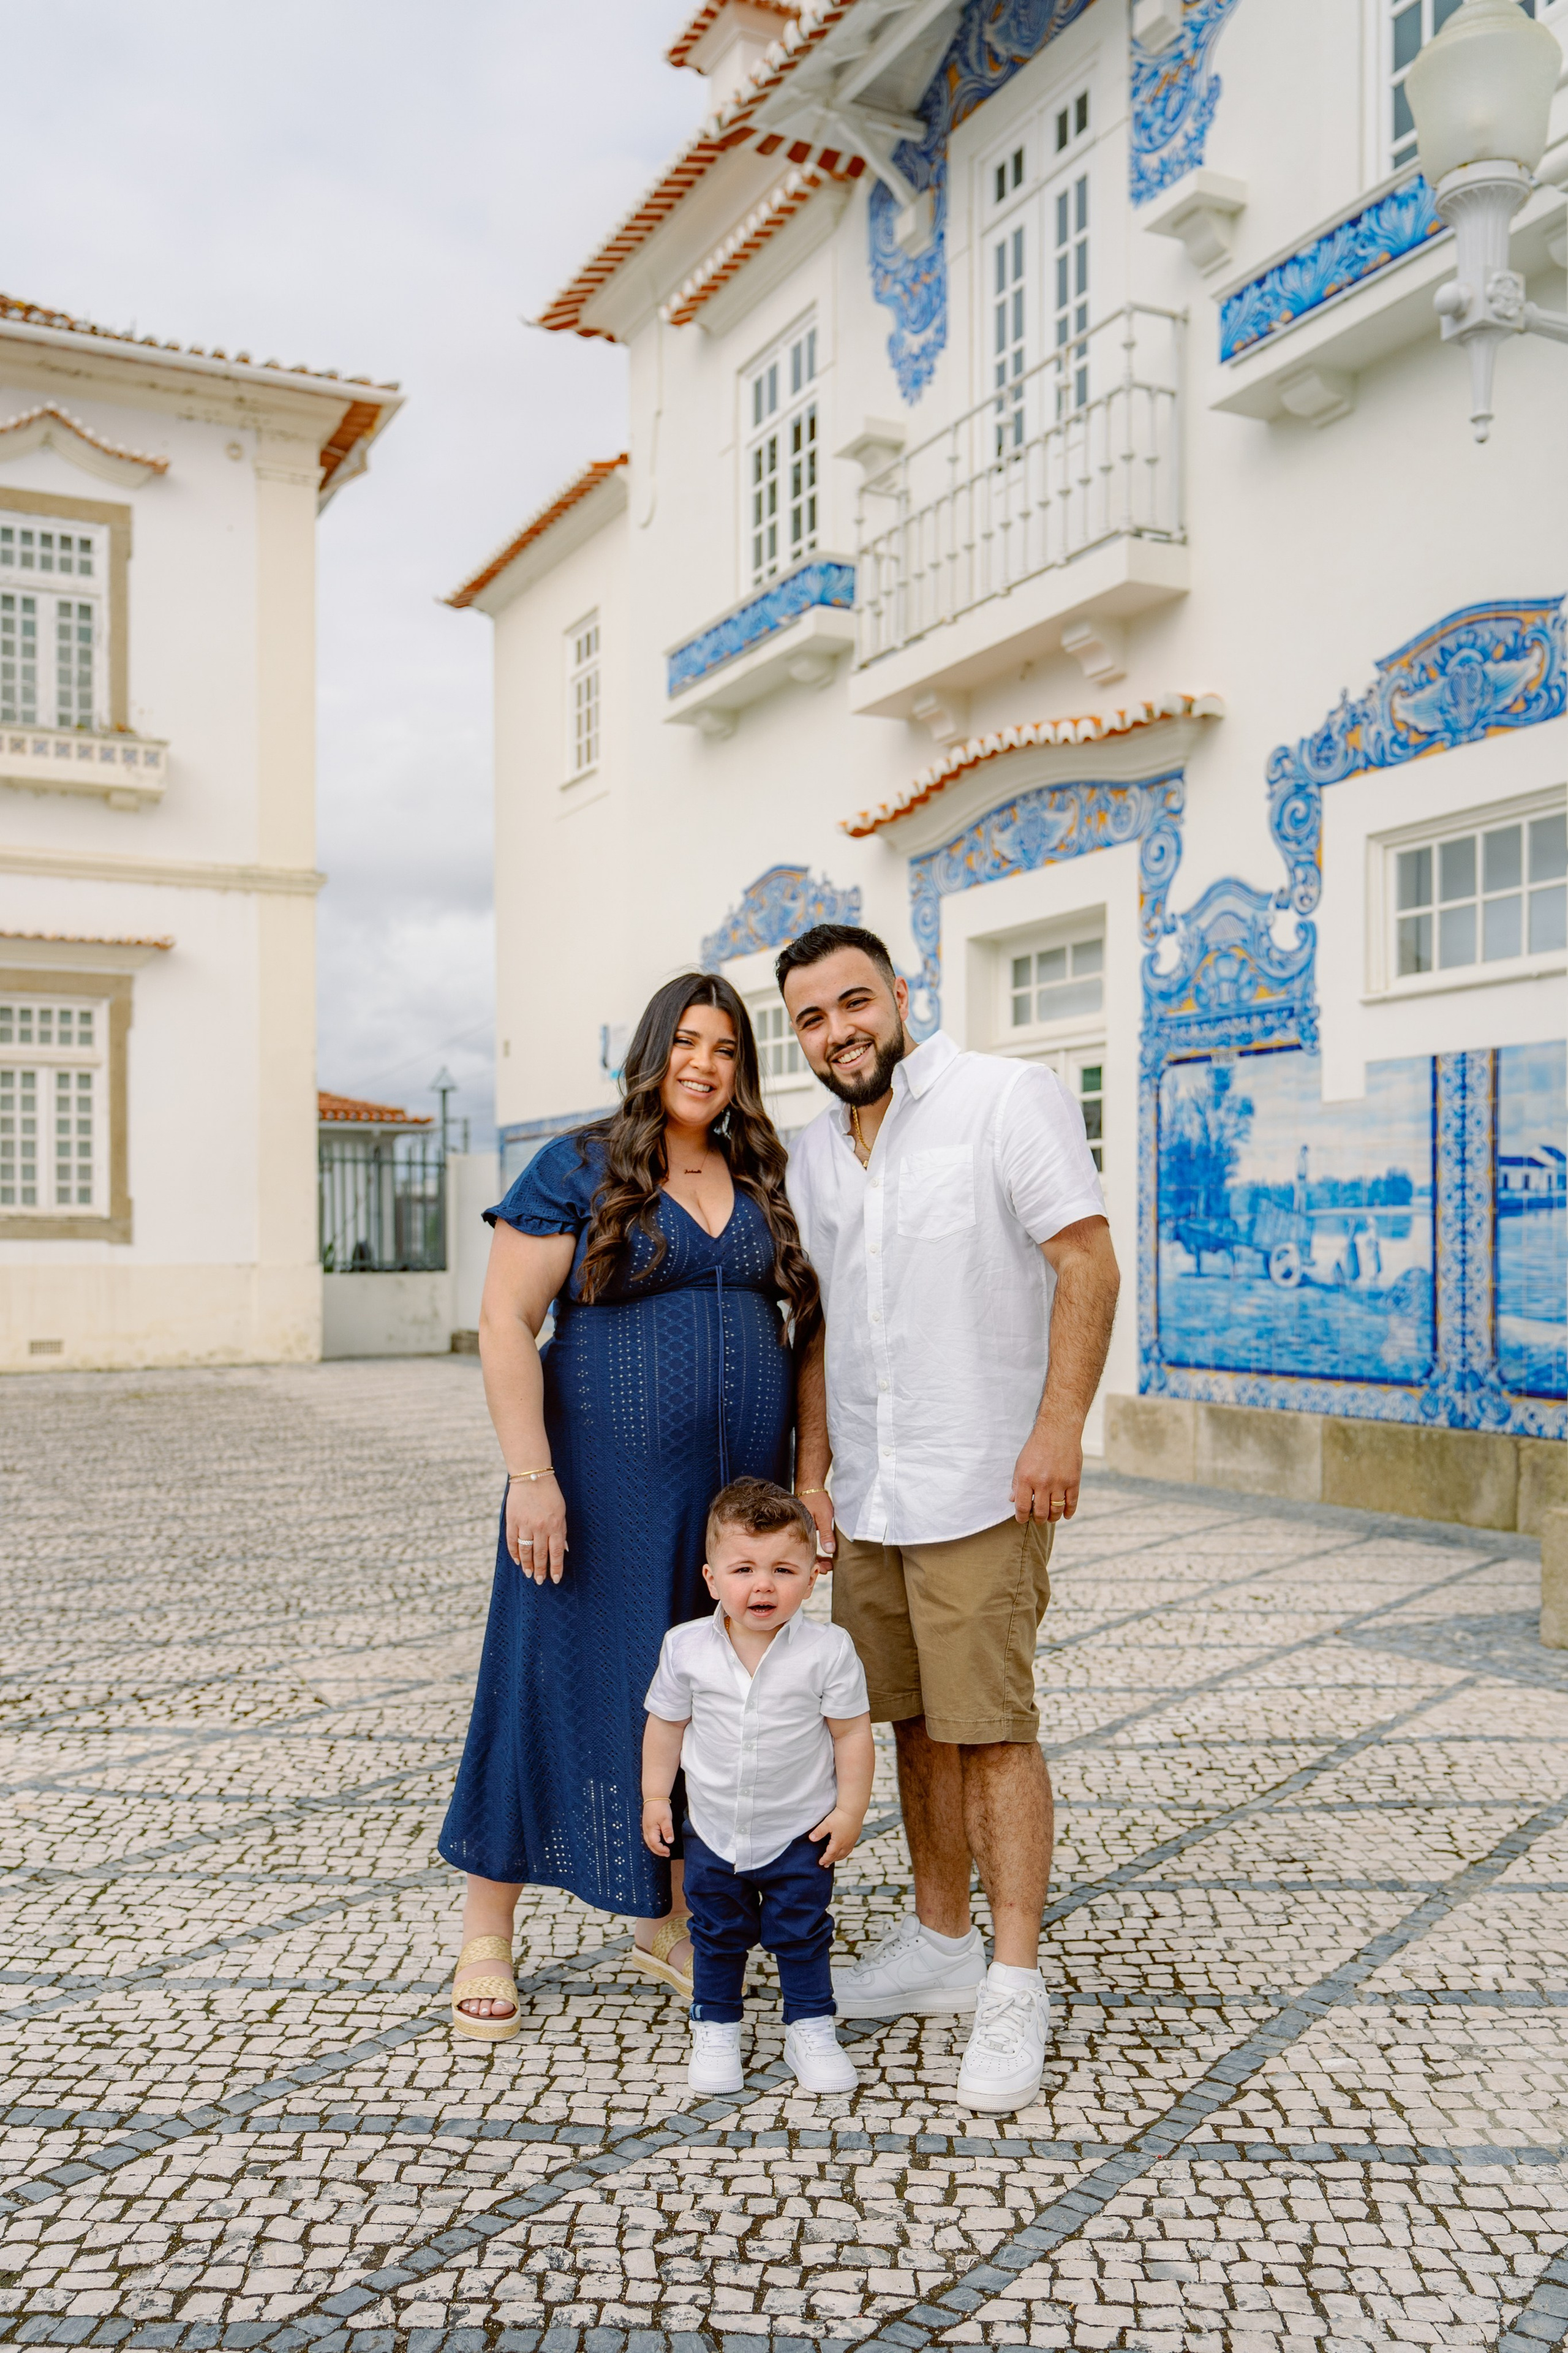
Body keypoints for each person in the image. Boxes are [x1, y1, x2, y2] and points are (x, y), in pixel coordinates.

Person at [778, 923, 1118, 2113]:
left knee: (990, 1728)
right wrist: (815, 1471)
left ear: (897, 994)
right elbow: (817, 1324)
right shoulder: (812, 1157)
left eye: (852, 1003)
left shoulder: (1001, 1098)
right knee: (911, 1721)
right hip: (870, 1493)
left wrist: (1057, 1427)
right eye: (810, 1020)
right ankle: (937, 1943)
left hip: (982, 1477)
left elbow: (1086, 1261)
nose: (837, 1033)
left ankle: (1012, 1979)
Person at [439, 974, 820, 2039]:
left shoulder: (755, 1168)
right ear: (650, 1052)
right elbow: (506, 1319)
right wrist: (532, 1476)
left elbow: (801, 1325)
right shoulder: (579, 1163)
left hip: (728, 1505)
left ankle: (657, 1917)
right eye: (687, 1041)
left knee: (699, 1699)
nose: (705, 1062)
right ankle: (486, 1931)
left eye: (727, 1048)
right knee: (547, 1680)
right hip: (594, 1494)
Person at [642, 1477, 873, 2095]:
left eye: (782, 1569)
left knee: (802, 1932)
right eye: (743, 1568)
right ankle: (716, 2028)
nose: (763, 1585)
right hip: (714, 1829)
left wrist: (850, 1809)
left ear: (812, 1574)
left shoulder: (828, 1650)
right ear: (712, 1577)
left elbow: (851, 1734)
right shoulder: (685, 1647)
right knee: (715, 1934)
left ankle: (810, 2028)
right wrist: (655, 1798)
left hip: (800, 1827)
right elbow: (665, 1727)